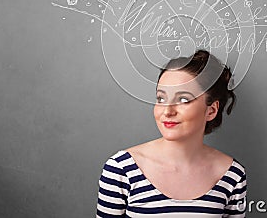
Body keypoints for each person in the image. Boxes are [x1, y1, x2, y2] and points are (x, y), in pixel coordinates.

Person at [96, 49, 247, 217]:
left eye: (183, 99)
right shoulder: (121, 169)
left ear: (211, 111)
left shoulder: (232, 175)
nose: (167, 111)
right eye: (161, 98)